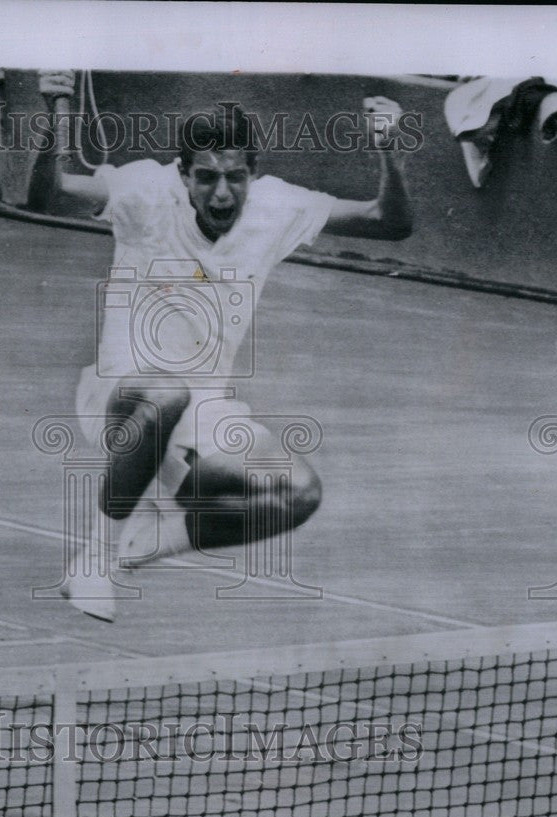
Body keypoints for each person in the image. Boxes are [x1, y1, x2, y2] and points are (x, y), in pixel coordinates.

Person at [30, 71, 413, 620]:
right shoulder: (143, 192)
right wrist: (57, 109)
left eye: (235, 177)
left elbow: (389, 222)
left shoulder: (278, 207)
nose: (223, 192)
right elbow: (51, 192)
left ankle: (154, 539)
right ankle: (94, 562)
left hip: (204, 412)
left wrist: (391, 154)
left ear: (254, 174)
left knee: (296, 493)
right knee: (165, 395)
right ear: (182, 175)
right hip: (122, 395)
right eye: (206, 177)